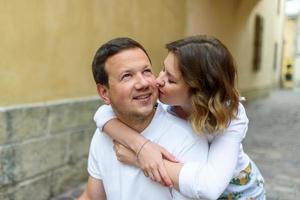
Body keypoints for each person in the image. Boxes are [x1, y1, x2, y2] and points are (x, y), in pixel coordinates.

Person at [94, 35, 266, 199]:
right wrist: (140, 146)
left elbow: (209, 187)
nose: (158, 81)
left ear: (198, 91)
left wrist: (138, 159)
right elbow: (103, 112)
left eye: (171, 80)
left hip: (240, 193)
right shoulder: (164, 99)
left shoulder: (230, 116)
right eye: (162, 69)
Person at [79, 37, 209, 200]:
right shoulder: (105, 133)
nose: (143, 83)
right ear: (104, 93)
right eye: (127, 76)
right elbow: (92, 197)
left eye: (146, 71)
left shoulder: (188, 139)